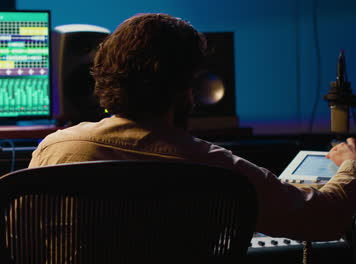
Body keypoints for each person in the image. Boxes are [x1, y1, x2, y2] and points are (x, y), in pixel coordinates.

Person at [29, 13, 356, 241]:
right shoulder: (217, 167)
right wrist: (351, 164)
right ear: (188, 88)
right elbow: (323, 219)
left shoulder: (56, 150)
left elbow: (17, 245)